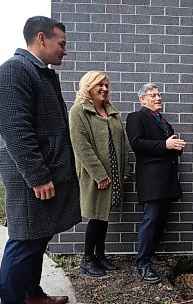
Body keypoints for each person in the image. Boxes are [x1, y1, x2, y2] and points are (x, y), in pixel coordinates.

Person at [0, 16, 81, 304]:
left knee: (37, 239)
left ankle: (31, 295)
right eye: (62, 43)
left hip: (44, 174)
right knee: (23, 242)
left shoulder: (39, 73)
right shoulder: (13, 71)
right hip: (31, 179)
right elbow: (16, 131)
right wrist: (38, 176)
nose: (65, 51)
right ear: (41, 38)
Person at [69, 71, 130, 277]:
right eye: (99, 85)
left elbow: (122, 143)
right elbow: (81, 147)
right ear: (88, 86)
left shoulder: (111, 112)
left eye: (106, 85)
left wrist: (124, 170)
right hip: (95, 174)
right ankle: (87, 259)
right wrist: (99, 175)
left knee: (104, 216)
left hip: (113, 171)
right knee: (96, 215)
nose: (104, 88)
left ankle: (100, 256)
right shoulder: (79, 111)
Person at [125, 83, 185, 284]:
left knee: (161, 220)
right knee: (150, 220)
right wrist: (165, 144)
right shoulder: (136, 117)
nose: (158, 98)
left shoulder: (163, 121)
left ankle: (151, 254)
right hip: (151, 180)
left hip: (167, 179)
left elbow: (166, 145)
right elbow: (137, 144)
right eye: (153, 95)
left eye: (159, 95)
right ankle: (142, 264)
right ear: (142, 99)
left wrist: (176, 147)